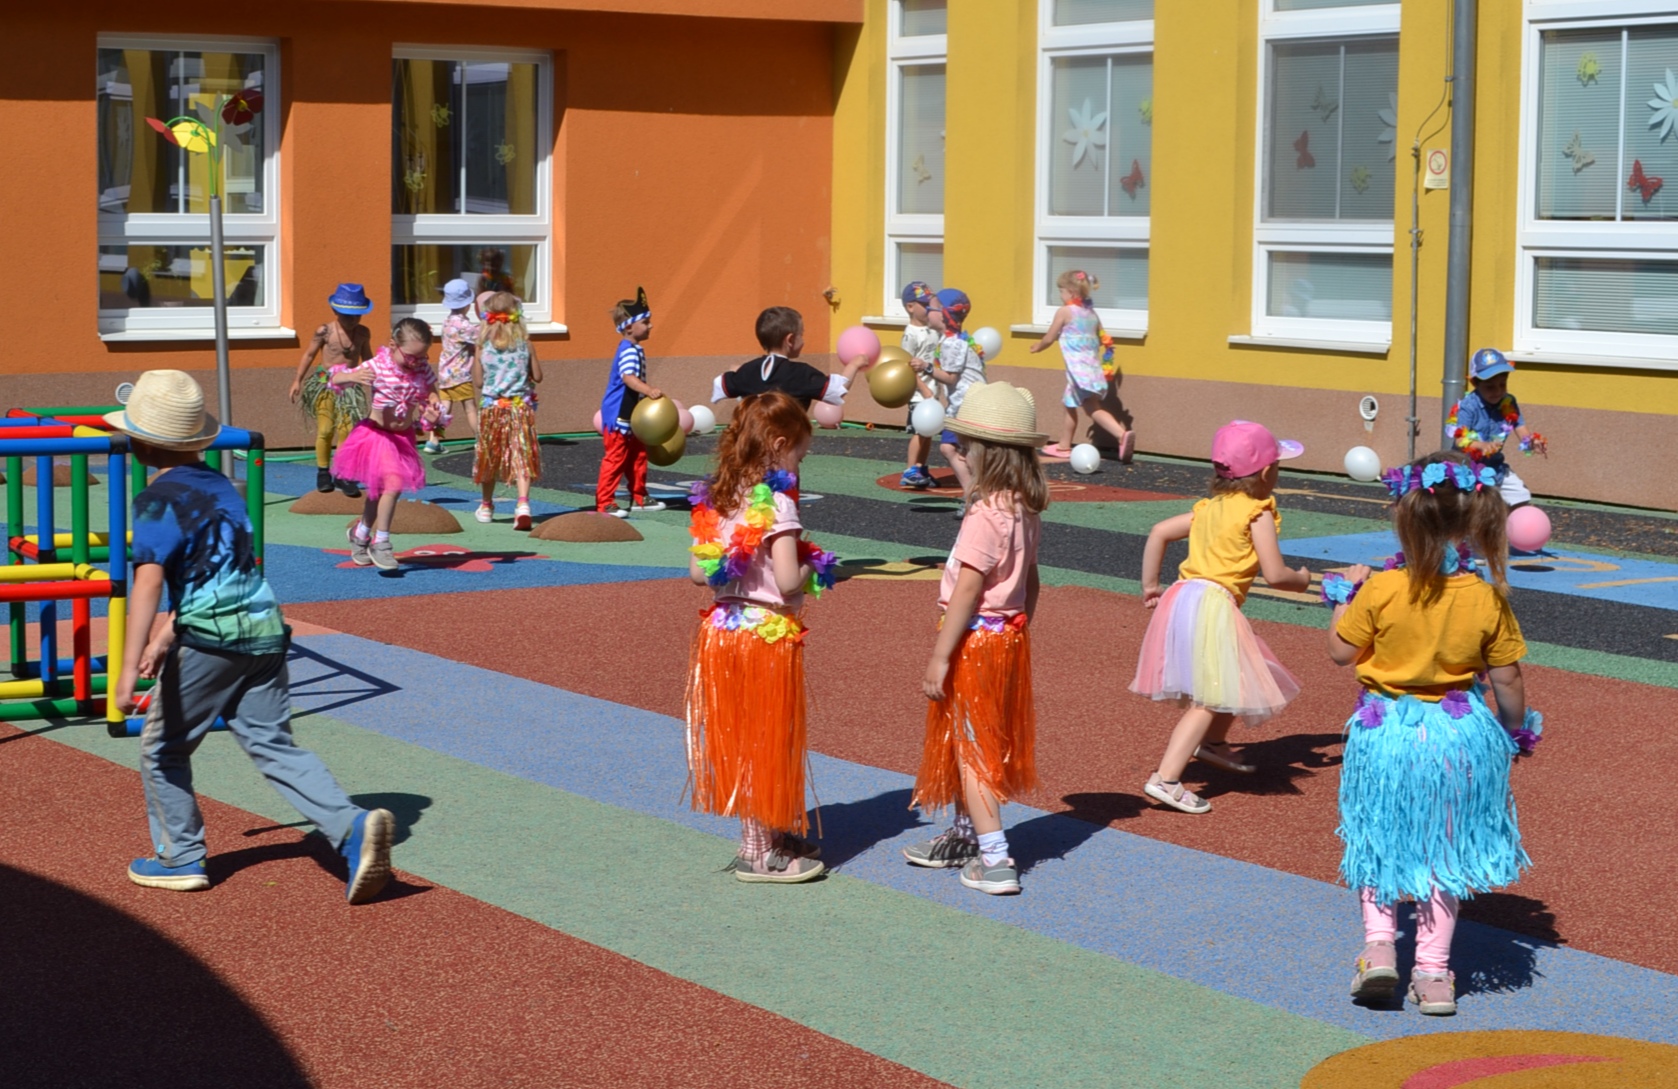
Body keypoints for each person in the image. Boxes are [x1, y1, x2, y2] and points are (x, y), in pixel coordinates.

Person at [108, 369, 394, 904]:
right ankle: (351, 827)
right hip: (265, 630)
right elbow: (219, 569)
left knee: (163, 748)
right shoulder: (223, 487)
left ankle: (180, 856)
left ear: (141, 443)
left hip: (209, 640)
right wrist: (164, 637)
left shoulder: (154, 499)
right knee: (272, 743)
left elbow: (148, 583)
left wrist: (125, 670)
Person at [1326, 452, 1540, 1016]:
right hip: (1457, 736)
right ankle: (1434, 972)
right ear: (1472, 519)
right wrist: (1514, 731)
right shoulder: (1484, 596)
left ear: (1406, 515)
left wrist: (1345, 596)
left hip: (1386, 735)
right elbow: (1507, 678)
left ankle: (1379, 950)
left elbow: (1341, 652)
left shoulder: (1382, 587)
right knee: (1444, 851)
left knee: (1378, 837)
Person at [685, 391, 839, 883]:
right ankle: (757, 852)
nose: (799, 466)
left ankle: (770, 833)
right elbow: (789, 581)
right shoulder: (778, 504)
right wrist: (815, 562)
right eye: (800, 456)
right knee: (768, 741)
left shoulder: (718, 497)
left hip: (723, 630)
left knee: (746, 739)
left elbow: (699, 573)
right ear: (779, 445)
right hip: (765, 635)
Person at [906, 381, 1047, 895]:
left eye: (966, 446)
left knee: (972, 749)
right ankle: (967, 834)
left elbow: (968, 589)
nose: (960, 453)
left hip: (975, 642)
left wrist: (940, 657)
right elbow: (1032, 581)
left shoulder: (986, 515)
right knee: (974, 739)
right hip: (1005, 637)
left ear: (987, 454)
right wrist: (1018, 627)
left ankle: (995, 857)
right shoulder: (1023, 509)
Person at [1130, 420, 1312, 813]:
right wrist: (1302, 579)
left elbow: (1159, 532)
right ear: (1267, 472)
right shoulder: (1257, 512)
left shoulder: (1207, 508)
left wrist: (1150, 585)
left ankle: (1212, 743)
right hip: (1213, 602)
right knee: (1210, 695)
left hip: (1181, 597)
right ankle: (1166, 778)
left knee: (1238, 671)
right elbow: (1276, 574)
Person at [329, 317, 443, 570]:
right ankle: (381, 543)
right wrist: (353, 375)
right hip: (376, 436)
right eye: (411, 357)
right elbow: (335, 379)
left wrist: (433, 410)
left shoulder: (421, 369)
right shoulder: (378, 366)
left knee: (379, 492)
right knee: (392, 485)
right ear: (393, 345)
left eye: (422, 357)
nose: (416, 362)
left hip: (402, 438)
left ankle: (360, 534)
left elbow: (431, 393)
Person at [1029, 269, 1136, 463]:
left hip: (1079, 372)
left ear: (1071, 292)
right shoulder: (1091, 313)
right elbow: (1103, 338)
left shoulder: (1065, 312)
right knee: (1069, 404)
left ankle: (1121, 435)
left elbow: (1050, 337)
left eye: (1061, 291)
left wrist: (1038, 347)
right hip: (1091, 369)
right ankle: (1064, 445)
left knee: (1091, 407)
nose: (1060, 295)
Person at [289, 283, 373, 497]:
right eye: (347, 315)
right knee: (326, 430)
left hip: (350, 387)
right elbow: (309, 354)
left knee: (347, 430)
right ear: (335, 311)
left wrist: (376, 381)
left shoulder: (363, 333)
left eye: (357, 315)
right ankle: (323, 471)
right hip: (325, 384)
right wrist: (297, 380)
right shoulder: (324, 331)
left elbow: (368, 358)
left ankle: (342, 473)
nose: (352, 320)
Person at [472, 292, 543, 529]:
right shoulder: (525, 344)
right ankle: (522, 504)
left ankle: (486, 506)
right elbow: (538, 376)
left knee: (489, 458)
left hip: (492, 409)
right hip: (519, 409)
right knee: (522, 455)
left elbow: (478, 382)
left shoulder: (483, 347)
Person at [1444, 348, 1547, 511]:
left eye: (1502, 384)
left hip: (1495, 466)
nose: (1498, 391)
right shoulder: (1468, 406)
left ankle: (1513, 524)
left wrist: (1530, 441)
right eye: (1490, 387)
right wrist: (1481, 445)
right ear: (1475, 383)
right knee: (1475, 509)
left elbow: (1519, 425)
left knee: (1520, 496)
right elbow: (1459, 440)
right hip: (1467, 470)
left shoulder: (1508, 402)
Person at [711, 306, 868, 409]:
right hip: (787, 444)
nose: (803, 339)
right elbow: (837, 390)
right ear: (790, 340)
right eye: (802, 334)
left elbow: (720, 386)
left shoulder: (748, 371)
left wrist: (738, 372)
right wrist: (853, 365)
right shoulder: (801, 374)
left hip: (753, 444)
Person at [597, 287, 666, 519]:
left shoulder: (635, 349)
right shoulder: (628, 351)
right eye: (645, 322)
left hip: (633, 415)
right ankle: (605, 502)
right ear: (629, 327)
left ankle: (639, 496)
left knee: (637, 455)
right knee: (616, 458)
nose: (650, 326)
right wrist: (649, 390)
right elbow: (628, 378)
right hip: (619, 415)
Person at [928, 289, 985, 517]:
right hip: (963, 403)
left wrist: (926, 368)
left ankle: (975, 498)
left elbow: (950, 378)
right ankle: (974, 496)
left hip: (968, 404)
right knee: (953, 449)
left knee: (960, 451)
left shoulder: (953, 344)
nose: (927, 311)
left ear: (943, 314)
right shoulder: (951, 340)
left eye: (931, 308)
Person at [425, 278, 480, 454]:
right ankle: (481, 440)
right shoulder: (463, 325)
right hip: (460, 374)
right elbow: (480, 336)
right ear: (467, 304)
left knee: (444, 408)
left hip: (445, 373)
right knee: (470, 408)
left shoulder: (447, 321)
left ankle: (433, 441)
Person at [899, 282, 944, 489]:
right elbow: (907, 366)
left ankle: (921, 468)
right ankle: (910, 470)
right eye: (925, 305)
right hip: (919, 394)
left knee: (928, 433)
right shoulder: (910, 334)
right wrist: (924, 390)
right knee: (919, 431)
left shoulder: (932, 329)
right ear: (910, 307)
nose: (929, 309)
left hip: (932, 391)